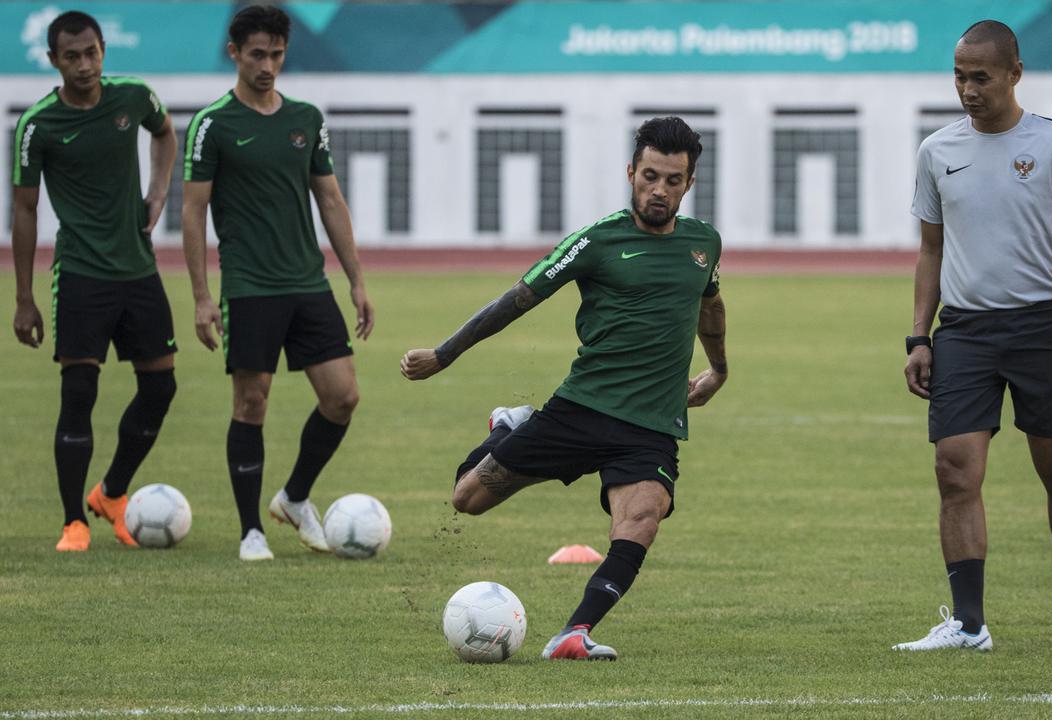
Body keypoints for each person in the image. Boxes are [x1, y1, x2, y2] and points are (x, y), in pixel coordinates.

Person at [401, 116, 727, 661]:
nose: (660, 190)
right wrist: (443, 354)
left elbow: (710, 305)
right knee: (467, 499)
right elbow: (515, 300)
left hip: (650, 426)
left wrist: (718, 369)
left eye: (673, 180)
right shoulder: (596, 241)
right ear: (631, 172)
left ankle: (573, 633)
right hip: (580, 410)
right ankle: (513, 424)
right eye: (650, 176)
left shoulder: (703, 245)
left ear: (689, 184)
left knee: (642, 520)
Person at [898, 20, 1052, 651]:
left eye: (980, 77)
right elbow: (929, 250)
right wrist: (917, 337)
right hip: (963, 332)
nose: (967, 88)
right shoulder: (937, 151)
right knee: (954, 470)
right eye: (959, 76)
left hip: (1043, 327)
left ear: (1015, 73)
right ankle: (968, 623)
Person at [182, 5, 373, 561]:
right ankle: (251, 531)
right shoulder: (213, 124)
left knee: (343, 397)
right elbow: (193, 213)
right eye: (257, 54)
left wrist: (357, 280)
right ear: (234, 52)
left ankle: (293, 497)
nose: (268, 65)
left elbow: (330, 199)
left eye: (277, 54)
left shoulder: (306, 118)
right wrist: (200, 297)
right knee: (252, 402)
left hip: (307, 282)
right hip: (249, 285)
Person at [11, 11, 179, 552]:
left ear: (104, 49)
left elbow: (165, 133)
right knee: (79, 392)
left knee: (161, 387)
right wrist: (23, 299)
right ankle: (72, 522)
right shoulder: (38, 124)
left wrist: (158, 194)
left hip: (139, 269)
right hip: (80, 274)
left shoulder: (133, 98)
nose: (84, 65)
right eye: (72, 56)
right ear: (53, 60)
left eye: (92, 52)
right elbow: (24, 209)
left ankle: (110, 492)